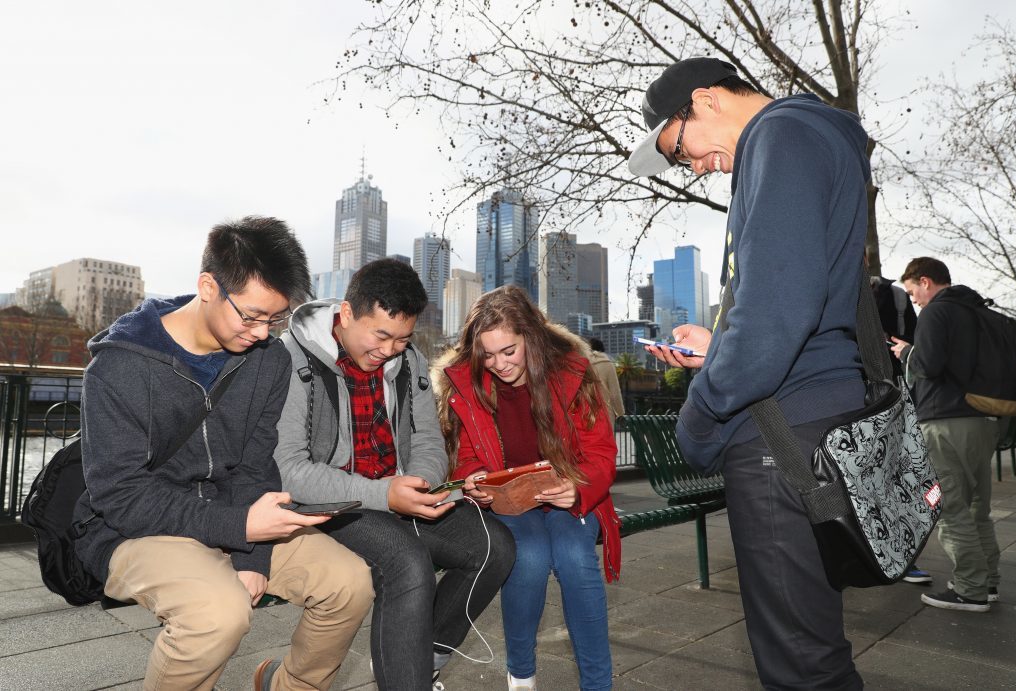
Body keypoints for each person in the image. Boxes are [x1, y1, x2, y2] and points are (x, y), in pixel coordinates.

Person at [628, 57, 868, 688]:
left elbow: (777, 314)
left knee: (798, 662)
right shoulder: (813, 136)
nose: (695, 166)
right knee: (813, 641)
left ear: (704, 101)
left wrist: (701, 415)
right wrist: (723, 345)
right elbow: (799, 301)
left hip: (780, 430)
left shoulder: (781, 137)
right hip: (814, 410)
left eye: (680, 150)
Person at [72, 216, 374, 691]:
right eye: (250, 316)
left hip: (230, 516)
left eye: (274, 319)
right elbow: (120, 495)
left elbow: (256, 464)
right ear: (208, 286)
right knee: (218, 614)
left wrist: (249, 556)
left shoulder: (269, 360)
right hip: (132, 531)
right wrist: (242, 530)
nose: (260, 332)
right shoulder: (117, 369)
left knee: (350, 583)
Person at [273, 258, 516, 691]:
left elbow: (427, 442)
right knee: (408, 564)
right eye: (380, 335)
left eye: (401, 339)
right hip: (334, 504)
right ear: (347, 314)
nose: (388, 350)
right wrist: (384, 495)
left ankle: (424, 662)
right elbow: (290, 471)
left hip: (396, 495)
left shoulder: (410, 362)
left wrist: (421, 486)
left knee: (493, 547)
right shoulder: (290, 360)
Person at [435, 285, 621, 691]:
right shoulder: (466, 385)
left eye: (509, 351)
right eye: (487, 354)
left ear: (531, 338)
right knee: (531, 556)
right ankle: (521, 676)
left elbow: (601, 452)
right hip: (512, 503)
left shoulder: (572, 373)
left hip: (570, 495)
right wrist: (476, 480)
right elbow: (466, 456)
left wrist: (576, 488)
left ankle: (597, 684)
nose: (498, 364)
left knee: (575, 557)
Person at [891, 257, 1001, 612]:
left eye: (912, 292)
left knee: (950, 508)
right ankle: (989, 581)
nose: (914, 301)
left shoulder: (937, 313)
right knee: (977, 508)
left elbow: (929, 365)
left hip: (945, 421)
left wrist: (907, 352)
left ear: (925, 281)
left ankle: (970, 589)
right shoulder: (979, 311)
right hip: (983, 420)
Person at [869, 272, 931, 585]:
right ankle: (892, 554)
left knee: (893, 474)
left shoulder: (893, 296)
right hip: (889, 392)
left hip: (885, 393)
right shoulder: (895, 295)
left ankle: (899, 554)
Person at [587, 337, 626, 421]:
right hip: (605, 414)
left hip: (586, 414)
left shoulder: (582, 365)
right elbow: (615, 393)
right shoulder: (608, 365)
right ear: (602, 350)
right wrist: (620, 413)